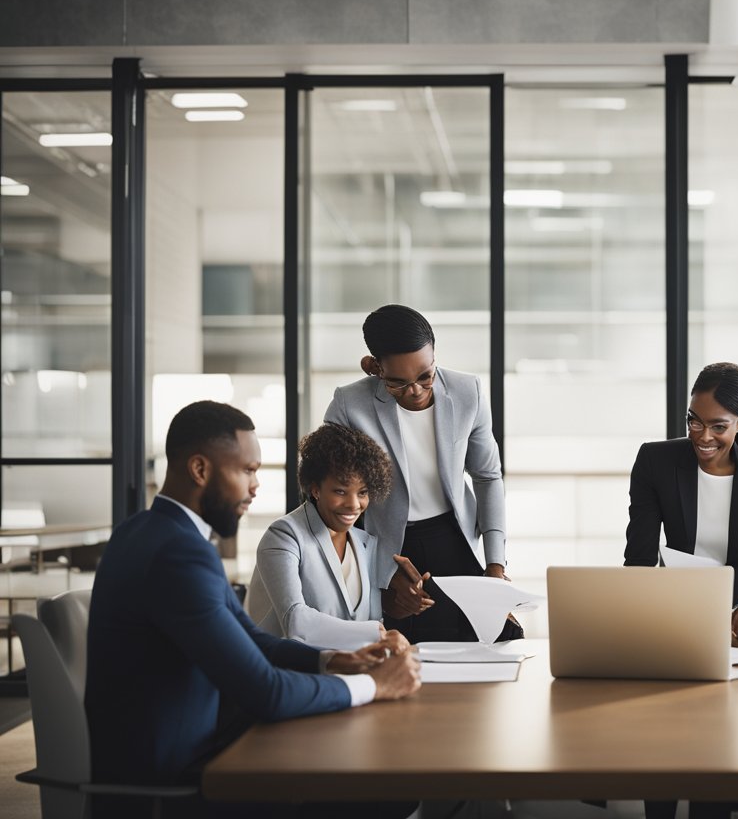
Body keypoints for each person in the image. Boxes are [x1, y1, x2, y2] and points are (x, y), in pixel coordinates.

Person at [86, 401, 421, 818]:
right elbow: (267, 692)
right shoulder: (178, 554)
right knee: (386, 795)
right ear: (200, 469)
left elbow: (252, 639)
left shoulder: (147, 533)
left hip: (201, 747)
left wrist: (335, 659)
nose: (256, 486)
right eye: (247, 470)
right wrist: (376, 686)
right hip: (179, 784)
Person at [624, 362, 738, 819]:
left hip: (726, 618)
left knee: (715, 747)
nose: (702, 435)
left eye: (718, 426)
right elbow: (639, 551)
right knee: (664, 748)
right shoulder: (655, 459)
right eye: (694, 419)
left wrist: (726, 600)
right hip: (665, 614)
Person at [325, 304, 514, 643]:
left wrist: (496, 565)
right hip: (389, 545)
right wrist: (381, 573)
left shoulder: (467, 391)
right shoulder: (348, 404)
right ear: (374, 368)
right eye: (398, 382)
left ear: (434, 356)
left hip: (456, 538)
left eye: (425, 376)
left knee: (489, 643)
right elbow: (330, 497)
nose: (415, 390)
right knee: (404, 653)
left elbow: (487, 477)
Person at [247, 423, 396, 650]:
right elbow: (295, 621)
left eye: (363, 492)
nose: (354, 505)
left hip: (350, 676)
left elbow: (373, 620)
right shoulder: (283, 536)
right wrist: (375, 632)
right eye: (340, 491)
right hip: (291, 677)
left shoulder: (365, 543)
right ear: (315, 489)